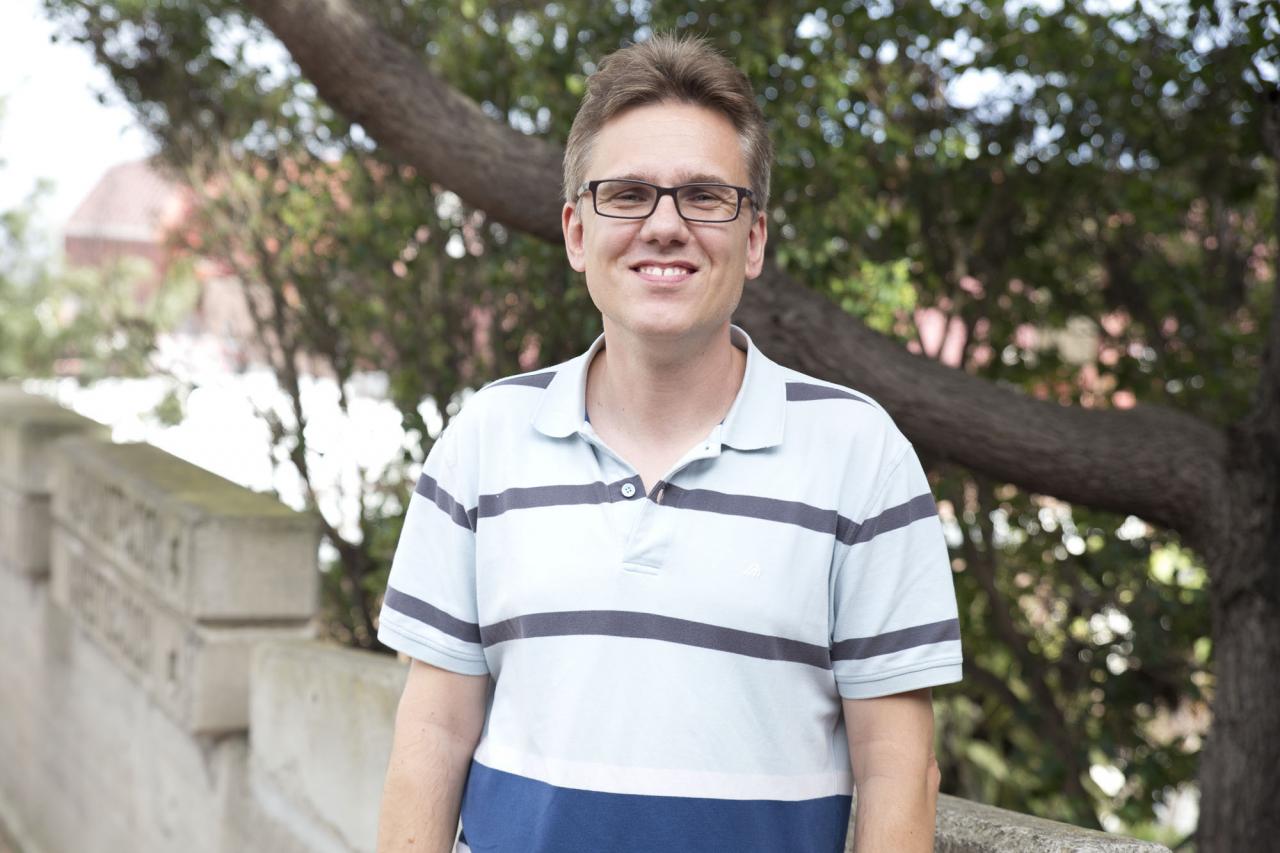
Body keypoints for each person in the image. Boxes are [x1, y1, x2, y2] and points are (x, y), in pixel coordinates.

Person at [375, 33, 962, 853]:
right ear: (578, 232)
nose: (664, 225)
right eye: (627, 194)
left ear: (753, 238)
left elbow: (898, 768)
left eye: (705, 197)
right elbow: (433, 730)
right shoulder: (483, 440)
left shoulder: (861, 455)